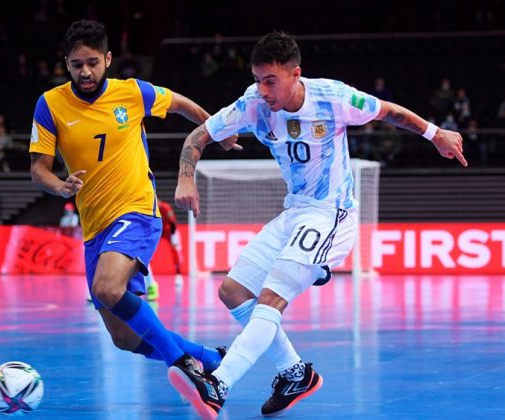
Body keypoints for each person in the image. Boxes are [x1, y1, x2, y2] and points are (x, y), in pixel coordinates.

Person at [168, 31, 467, 419]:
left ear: (296, 74)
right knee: (232, 290)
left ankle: (219, 384)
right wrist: (186, 175)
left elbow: (388, 111)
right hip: (295, 211)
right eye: (258, 79)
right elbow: (199, 134)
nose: (263, 89)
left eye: (271, 80)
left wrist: (435, 134)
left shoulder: (333, 97)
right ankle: (295, 373)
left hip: (331, 213)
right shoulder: (253, 103)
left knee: (272, 298)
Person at [29, 20, 238, 380]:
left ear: (108, 59)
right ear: (66, 64)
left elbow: (179, 103)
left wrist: (214, 131)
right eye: (77, 64)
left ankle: (181, 363)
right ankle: (208, 357)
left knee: (107, 287)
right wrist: (60, 186)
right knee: (123, 337)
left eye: (93, 62)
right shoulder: (50, 105)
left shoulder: (132, 92)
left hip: (136, 209)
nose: (85, 71)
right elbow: (38, 169)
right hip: (94, 226)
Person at [158, 199, 184, 275]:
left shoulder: (165, 207)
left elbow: (172, 221)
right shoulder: (151, 209)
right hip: (159, 231)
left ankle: (178, 272)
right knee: (150, 247)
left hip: (170, 231)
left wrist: (173, 234)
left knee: (175, 250)